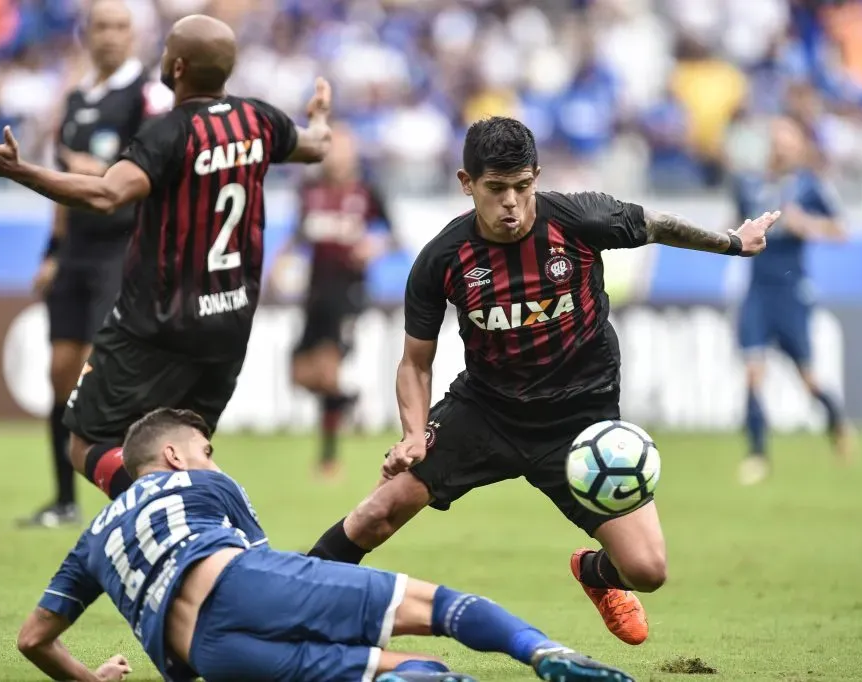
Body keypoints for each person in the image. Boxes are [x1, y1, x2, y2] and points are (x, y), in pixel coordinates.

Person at [306, 116, 779, 647]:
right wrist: (414, 434)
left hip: (580, 425)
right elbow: (415, 362)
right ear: (467, 184)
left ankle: (594, 573)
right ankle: (288, 603)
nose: (511, 201)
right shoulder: (443, 258)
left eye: (522, 186)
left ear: (536, 176)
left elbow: (660, 225)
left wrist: (733, 244)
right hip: (486, 412)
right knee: (377, 513)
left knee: (647, 570)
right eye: (495, 188)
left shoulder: (577, 219)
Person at [0, 15, 332, 501]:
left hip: (155, 326)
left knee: (86, 443)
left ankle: (182, 510)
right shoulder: (258, 119)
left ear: (175, 66)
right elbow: (316, 145)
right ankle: (207, 538)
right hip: (228, 324)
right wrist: (319, 115)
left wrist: (19, 170)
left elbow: (107, 194)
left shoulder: (168, 134)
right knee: (184, 449)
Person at [16, 407, 635, 682]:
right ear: (174, 456)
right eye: (205, 450)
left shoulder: (93, 538)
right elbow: (268, 570)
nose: (210, 460)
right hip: (241, 587)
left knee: (413, 672)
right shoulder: (203, 485)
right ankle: (546, 653)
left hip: (211, 660)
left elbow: (33, 639)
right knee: (442, 609)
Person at [22, 0, 162, 528]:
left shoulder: (145, 96)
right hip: (76, 251)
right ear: (87, 33)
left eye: (121, 27)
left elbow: (151, 172)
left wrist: (101, 171)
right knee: (59, 373)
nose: (111, 36)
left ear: (133, 35)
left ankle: (132, 495)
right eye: (102, 26)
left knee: (101, 374)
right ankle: (63, 501)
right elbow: (62, 188)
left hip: (122, 249)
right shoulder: (78, 98)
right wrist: (52, 253)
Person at [734, 116, 855, 486]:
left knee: (807, 378)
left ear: (799, 146)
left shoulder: (809, 186)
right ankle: (757, 455)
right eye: (776, 138)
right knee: (753, 371)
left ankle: (837, 421)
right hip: (757, 288)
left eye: (787, 139)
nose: (780, 145)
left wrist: (809, 225)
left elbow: (841, 230)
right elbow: (735, 225)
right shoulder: (748, 184)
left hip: (790, 291)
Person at [281, 124, 394, 478]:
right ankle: (347, 401)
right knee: (300, 376)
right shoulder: (309, 190)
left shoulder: (367, 191)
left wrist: (374, 247)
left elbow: (392, 234)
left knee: (328, 370)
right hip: (314, 294)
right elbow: (301, 233)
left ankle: (329, 458)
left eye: (343, 149)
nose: (337, 157)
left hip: (348, 293)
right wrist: (282, 259)